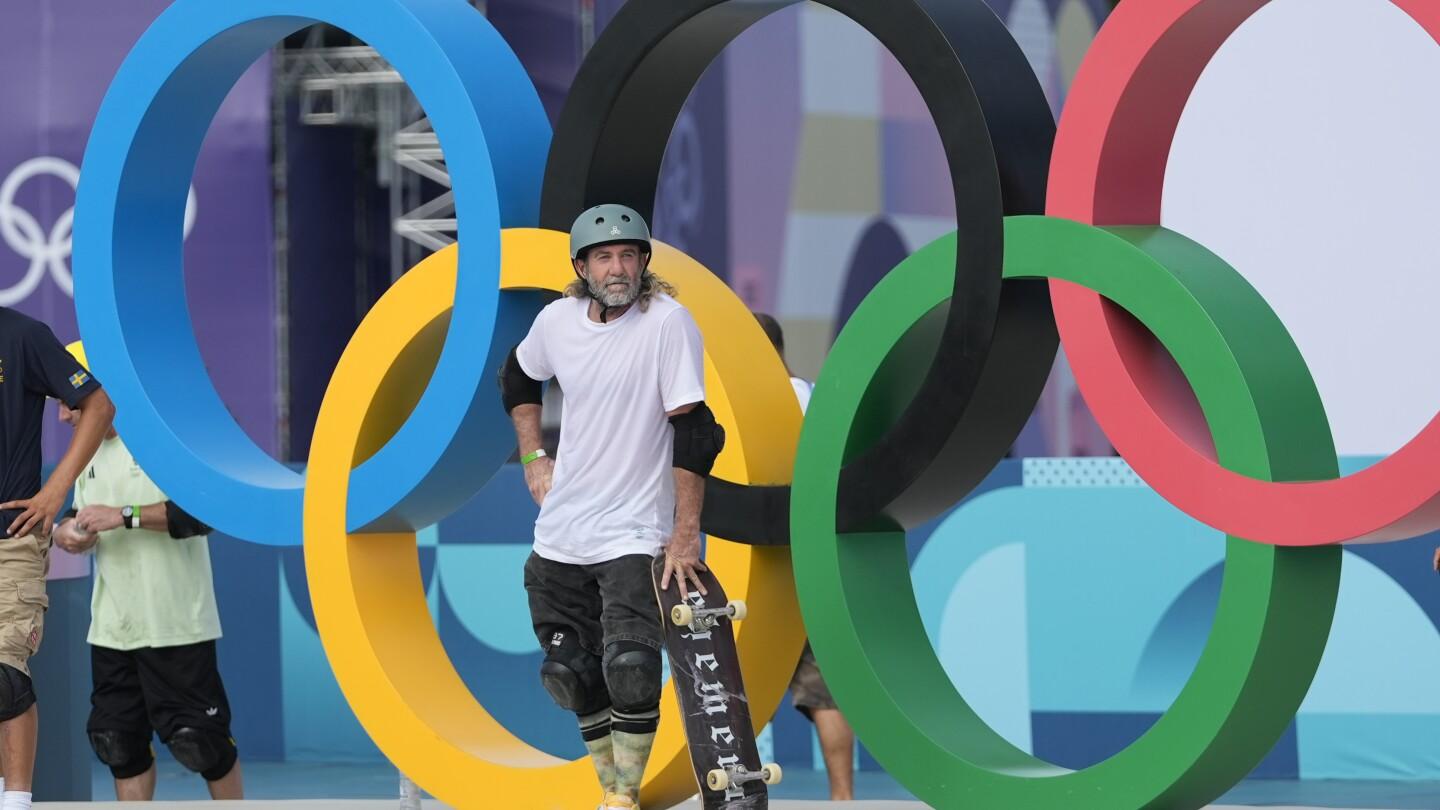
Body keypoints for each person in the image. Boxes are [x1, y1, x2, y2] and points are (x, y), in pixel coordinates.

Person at [499, 204, 724, 810]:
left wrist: (685, 535)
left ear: (645, 262)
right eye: (604, 257)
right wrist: (532, 458)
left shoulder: (668, 324)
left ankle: (622, 797)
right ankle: (612, 789)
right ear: (581, 266)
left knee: (630, 666)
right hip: (561, 532)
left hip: (633, 531)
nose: (618, 267)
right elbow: (517, 380)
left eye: (629, 255)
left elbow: (697, 432)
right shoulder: (557, 321)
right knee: (569, 674)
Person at [50, 342, 242, 801]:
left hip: (177, 626)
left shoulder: (162, 443)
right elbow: (77, 518)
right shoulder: (86, 454)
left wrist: (124, 516)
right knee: (118, 745)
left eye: (65, 400)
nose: (61, 416)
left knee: (203, 745)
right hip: (113, 631)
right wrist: (68, 533)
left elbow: (201, 516)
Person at [0, 307, 113, 810]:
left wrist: (54, 491)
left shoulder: (24, 335)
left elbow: (98, 404)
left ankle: (17, 801)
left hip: (10, 536)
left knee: (4, 673)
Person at [755, 311, 856, 801]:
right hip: (813, 559)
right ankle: (843, 798)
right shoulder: (812, 396)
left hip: (759, 563)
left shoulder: (745, 401)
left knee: (743, 686)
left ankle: (736, 795)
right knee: (824, 692)